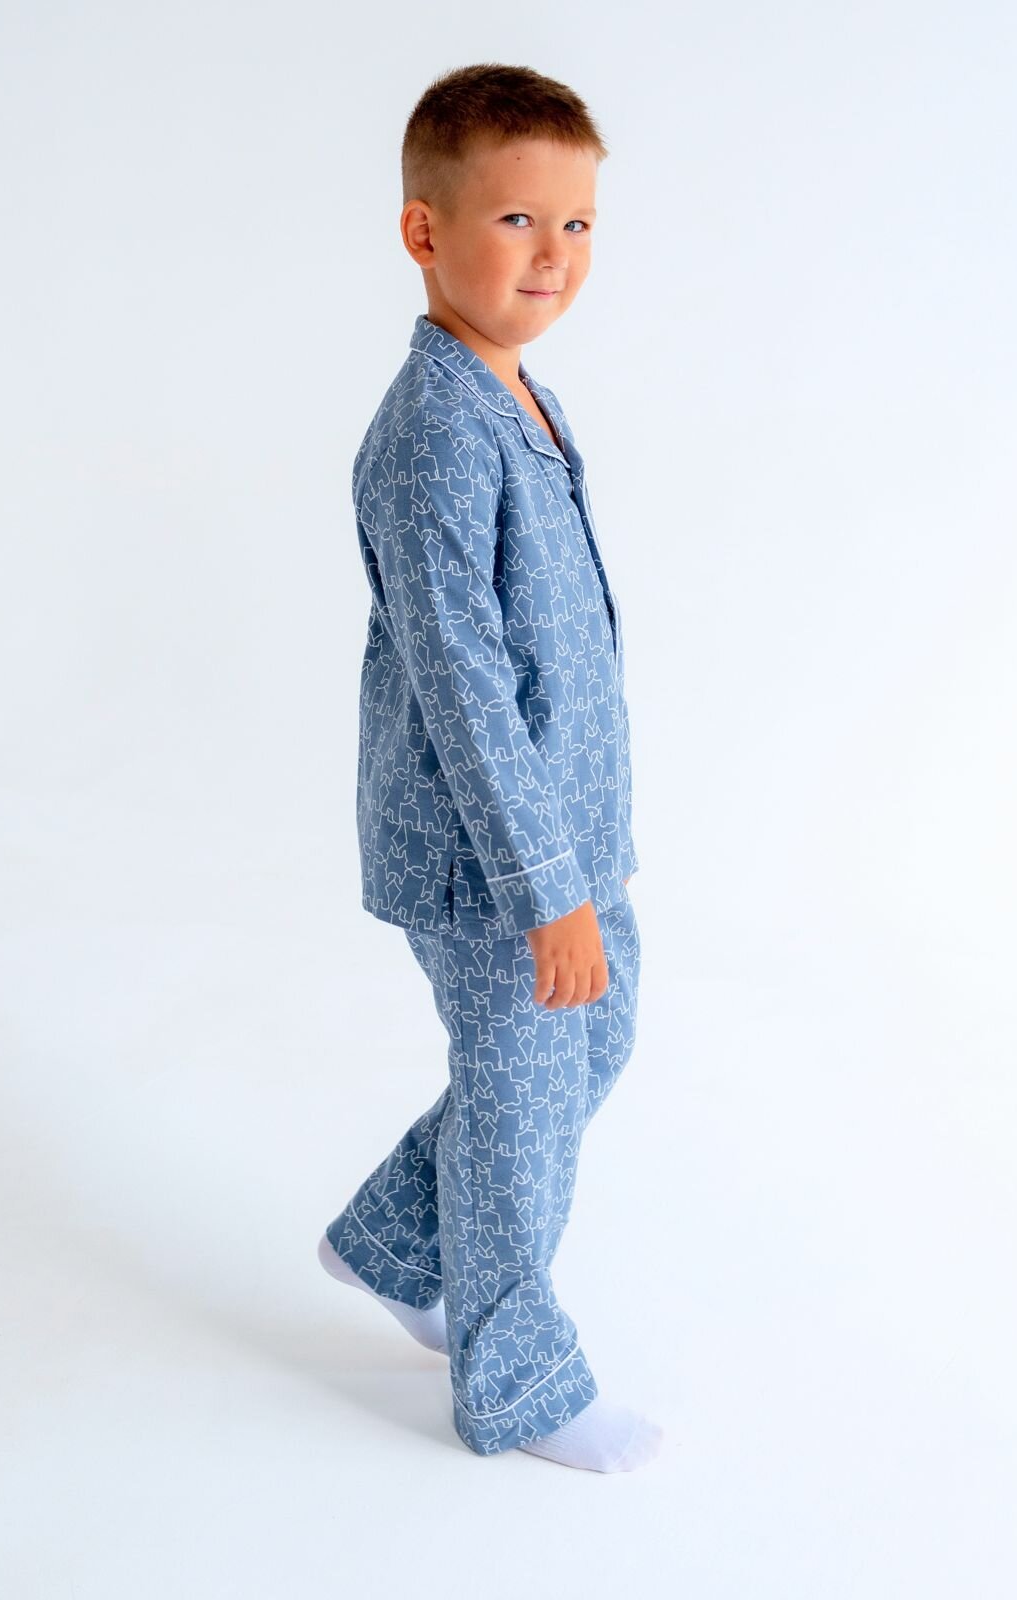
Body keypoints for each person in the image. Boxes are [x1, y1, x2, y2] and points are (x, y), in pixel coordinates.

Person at [319, 62, 661, 1474]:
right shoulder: (432, 436)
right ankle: (514, 1377)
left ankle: (398, 1241)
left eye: (578, 226)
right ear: (426, 232)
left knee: (598, 1039)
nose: (553, 256)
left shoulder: (525, 400)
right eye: (519, 220)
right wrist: (544, 892)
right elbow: (463, 691)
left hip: (573, 828)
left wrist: (588, 860)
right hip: (489, 856)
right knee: (520, 1103)